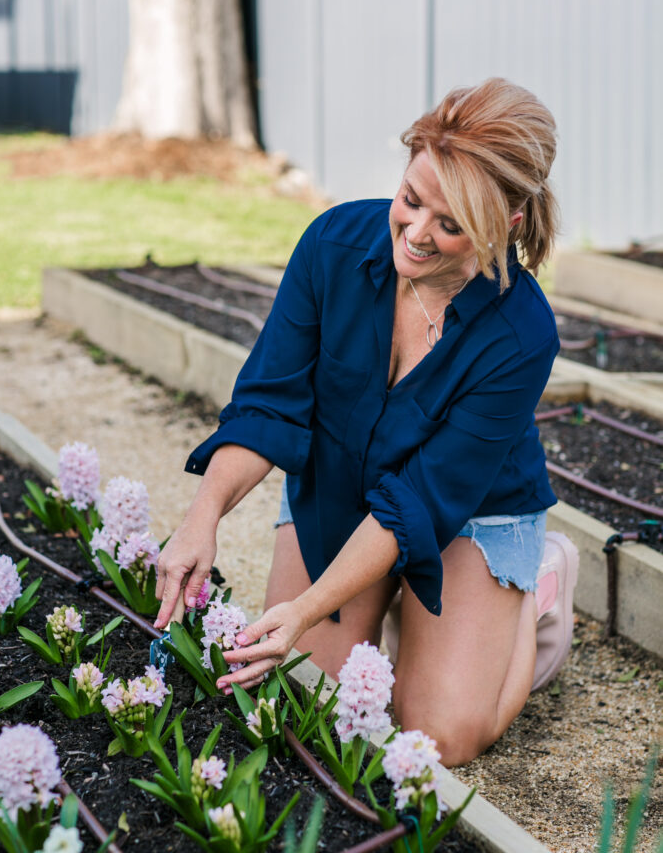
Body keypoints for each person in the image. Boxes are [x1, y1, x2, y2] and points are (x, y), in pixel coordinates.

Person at [154, 77, 579, 767]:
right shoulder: (332, 245)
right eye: (410, 201)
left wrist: (305, 607)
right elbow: (268, 404)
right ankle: (413, 614)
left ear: (506, 226)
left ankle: (530, 596)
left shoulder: (520, 332)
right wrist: (201, 516)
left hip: (466, 510)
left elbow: (419, 500)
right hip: (342, 486)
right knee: (313, 707)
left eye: (449, 225)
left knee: (436, 737)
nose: (413, 235)